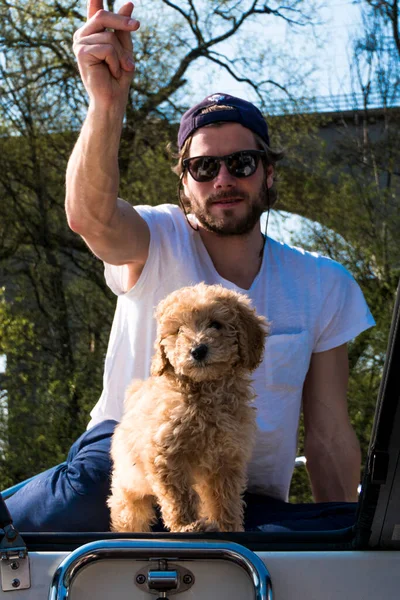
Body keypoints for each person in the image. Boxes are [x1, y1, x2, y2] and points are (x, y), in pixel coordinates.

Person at [5, 0, 375, 533]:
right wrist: (107, 104)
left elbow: (329, 434)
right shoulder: (155, 236)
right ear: (184, 185)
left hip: (238, 492)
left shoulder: (323, 284)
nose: (223, 178)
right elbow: (90, 218)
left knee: (319, 530)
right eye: (203, 167)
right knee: (76, 497)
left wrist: (348, 542)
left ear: (268, 175)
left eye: (241, 163)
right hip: (121, 465)